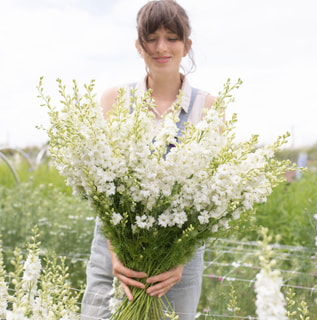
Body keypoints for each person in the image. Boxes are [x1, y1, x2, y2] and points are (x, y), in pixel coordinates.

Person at [81, 1, 216, 319]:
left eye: (171, 37)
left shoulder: (205, 107)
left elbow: (209, 197)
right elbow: (101, 185)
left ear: (187, 45)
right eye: (151, 38)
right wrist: (118, 255)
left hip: (174, 268)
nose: (161, 47)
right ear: (138, 46)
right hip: (115, 256)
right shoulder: (115, 100)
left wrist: (178, 259)